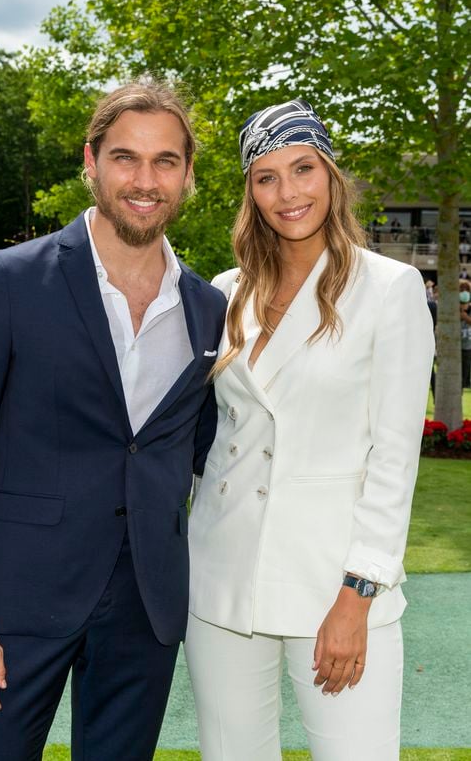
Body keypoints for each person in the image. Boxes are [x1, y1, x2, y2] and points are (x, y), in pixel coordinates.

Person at [0, 78, 227, 761]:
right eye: (125, 157)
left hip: (145, 606)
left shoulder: (208, 309)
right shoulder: (5, 280)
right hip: (15, 602)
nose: (145, 180)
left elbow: (202, 446)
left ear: (187, 177)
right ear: (90, 162)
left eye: (166, 161)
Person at [185, 99, 435, 761]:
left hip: (334, 585)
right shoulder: (226, 290)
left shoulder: (391, 287)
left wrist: (358, 593)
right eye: (266, 177)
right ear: (250, 192)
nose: (287, 192)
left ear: (330, 173)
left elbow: (394, 458)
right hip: (221, 584)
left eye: (302, 168)